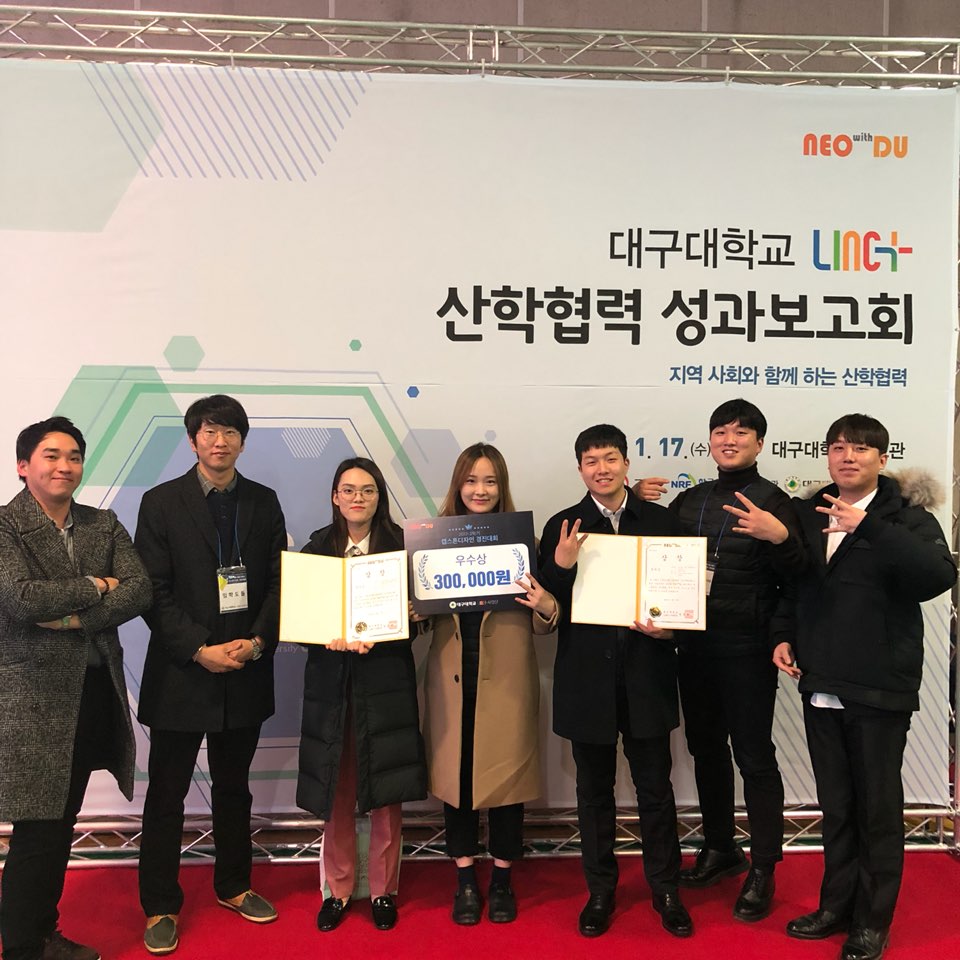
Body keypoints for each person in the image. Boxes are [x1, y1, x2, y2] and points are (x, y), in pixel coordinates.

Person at [772, 414, 955, 960]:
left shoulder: (907, 516)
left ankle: (873, 921)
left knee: (877, 809)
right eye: (837, 448)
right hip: (820, 679)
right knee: (837, 805)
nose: (847, 456)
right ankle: (836, 905)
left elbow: (938, 576)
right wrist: (783, 634)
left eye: (860, 448)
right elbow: (795, 583)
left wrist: (868, 526)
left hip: (879, 685)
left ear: (882, 457)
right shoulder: (812, 512)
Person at [638, 399, 804, 922]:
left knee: (754, 757)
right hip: (694, 649)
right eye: (720, 432)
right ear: (709, 441)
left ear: (760, 443)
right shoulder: (691, 500)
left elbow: (798, 579)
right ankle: (720, 847)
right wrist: (633, 498)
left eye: (741, 433)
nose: (729, 440)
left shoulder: (776, 502)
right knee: (706, 750)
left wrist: (779, 538)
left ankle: (764, 867)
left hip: (748, 651)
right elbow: (652, 555)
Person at [135, 395, 286, 955]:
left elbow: (279, 581)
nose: (219, 442)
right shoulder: (160, 502)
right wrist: (199, 649)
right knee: (166, 794)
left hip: (244, 668)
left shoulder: (264, 501)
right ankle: (159, 904)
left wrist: (257, 642)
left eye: (230, 433)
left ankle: (234, 885)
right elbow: (152, 590)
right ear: (192, 439)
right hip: (183, 672)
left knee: (234, 788)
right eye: (208, 431)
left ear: (243, 441)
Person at [0, 416, 151, 960]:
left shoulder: (101, 523)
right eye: (51, 455)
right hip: (33, 700)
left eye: (74, 457)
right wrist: (95, 584)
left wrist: (73, 617)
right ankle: (22, 946)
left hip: (92, 692)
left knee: (62, 824)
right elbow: (22, 599)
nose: (64, 466)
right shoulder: (5, 525)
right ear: (24, 466)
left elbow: (138, 590)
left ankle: (44, 932)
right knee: (38, 828)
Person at [538, 424, 692, 939]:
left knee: (656, 790)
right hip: (587, 681)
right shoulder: (563, 525)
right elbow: (546, 604)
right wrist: (561, 566)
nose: (601, 469)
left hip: (648, 675)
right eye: (590, 461)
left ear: (626, 463)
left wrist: (671, 628)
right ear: (580, 469)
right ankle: (600, 891)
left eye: (609, 458)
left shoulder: (662, 521)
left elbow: (684, 597)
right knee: (593, 793)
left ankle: (666, 889)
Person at [422, 443, 558, 925]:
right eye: (471, 480)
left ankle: (501, 878)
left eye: (490, 481)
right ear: (457, 485)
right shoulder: (432, 542)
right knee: (456, 782)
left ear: (502, 487)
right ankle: (464, 879)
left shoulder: (524, 543)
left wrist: (545, 605)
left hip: (506, 682)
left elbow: (547, 619)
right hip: (451, 679)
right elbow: (418, 619)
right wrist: (413, 610)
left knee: (507, 782)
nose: (480, 490)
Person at [297, 457, 426, 933]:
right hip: (332, 686)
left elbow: (418, 620)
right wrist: (322, 635)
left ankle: (383, 890)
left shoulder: (403, 549)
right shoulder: (315, 550)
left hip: (385, 682)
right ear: (335, 497)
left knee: (386, 791)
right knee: (337, 790)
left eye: (367, 490)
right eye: (348, 490)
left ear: (379, 498)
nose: (358, 498)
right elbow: (301, 620)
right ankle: (338, 890)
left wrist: (411, 615)